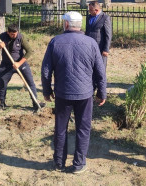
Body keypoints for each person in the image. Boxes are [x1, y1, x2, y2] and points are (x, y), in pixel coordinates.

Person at [41, 11, 107, 174]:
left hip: (63, 94)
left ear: (66, 24)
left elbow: (46, 70)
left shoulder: (55, 42)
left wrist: (47, 90)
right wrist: (102, 92)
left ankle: (59, 163)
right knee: (83, 129)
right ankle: (78, 164)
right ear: (80, 25)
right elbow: (100, 71)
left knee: (60, 128)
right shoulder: (91, 43)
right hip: (85, 94)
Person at [0, 24, 45, 112]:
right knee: (2, 84)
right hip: (6, 65)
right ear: (8, 32)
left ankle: (35, 103)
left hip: (21, 64)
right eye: (12, 34)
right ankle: (2, 103)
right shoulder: (2, 36)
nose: (14, 35)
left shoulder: (21, 37)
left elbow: (29, 51)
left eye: (15, 33)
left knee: (30, 82)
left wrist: (19, 63)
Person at [85, 1, 112, 68]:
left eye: (91, 10)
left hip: (100, 47)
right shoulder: (89, 17)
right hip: (89, 46)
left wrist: (106, 49)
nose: (89, 11)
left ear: (96, 10)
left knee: (100, 67)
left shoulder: (105, 18)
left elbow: (108, 35)